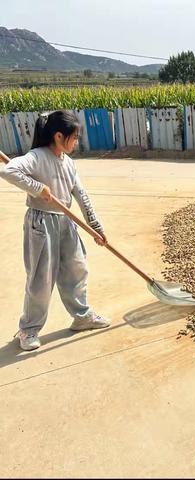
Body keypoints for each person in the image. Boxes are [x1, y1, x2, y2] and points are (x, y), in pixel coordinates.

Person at [0, 110, 110, 351]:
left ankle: (82, 316)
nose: (77, 142)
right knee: (41, 278)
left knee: (77, 269)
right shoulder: (37, 157)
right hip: (41, 223)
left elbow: (81, 195)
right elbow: (8, 170)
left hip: (65, 221)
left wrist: (96, 227)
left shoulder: (68, 163)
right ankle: (28, 330)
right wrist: (38, 188)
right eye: (75, 137)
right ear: (59, 136)